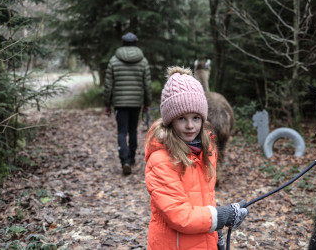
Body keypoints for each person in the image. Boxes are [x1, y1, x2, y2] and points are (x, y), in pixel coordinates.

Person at [144, 66, 249, 250]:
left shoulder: (205, 153)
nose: (190, 126)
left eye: (196, 118)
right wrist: (221, 217)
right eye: (182, 118)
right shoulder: (161, 160)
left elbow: (205, 201)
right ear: (170, 121)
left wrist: (216, 237)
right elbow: (180, 216)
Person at [103, 32, 152, 175]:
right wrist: (147, 103)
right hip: (136, 102)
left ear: (123, 43)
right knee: (133, 130)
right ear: (135, 43)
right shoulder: (143, 61)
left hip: (119, 102)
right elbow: (147, 85)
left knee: (122, 131)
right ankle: (131, 158)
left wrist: (107, 104)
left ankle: (124, 160)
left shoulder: (114, 60)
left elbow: (108, 85)